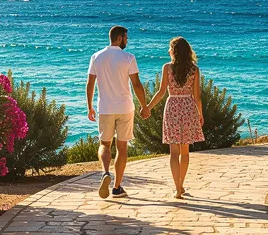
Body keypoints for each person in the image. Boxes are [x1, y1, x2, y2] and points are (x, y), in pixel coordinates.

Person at [87, 25, 148, 199]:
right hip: (125, 108)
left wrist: (89, 106)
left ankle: (105, 172)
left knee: (104, 144)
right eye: (126, 38)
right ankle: (117, 187)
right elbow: (137, 84)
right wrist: (144, 106)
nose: (127, 41)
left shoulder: (96, 57)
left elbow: (90, 83)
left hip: (105, 108)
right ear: (120, 38)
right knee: (122, 147)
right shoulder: (128, 57)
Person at [140, 36, 204, 199]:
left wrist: (148, 107)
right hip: (188, 107)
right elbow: (197, 97)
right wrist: (200, 115)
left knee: (173, 151)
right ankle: (181, 185)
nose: (168, 51)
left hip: (172, 108)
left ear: (174, 51)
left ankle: (177, 188)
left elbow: (161, 92)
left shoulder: (167, 68)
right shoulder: (194, 69)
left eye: (170, 48)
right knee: (185, 151)